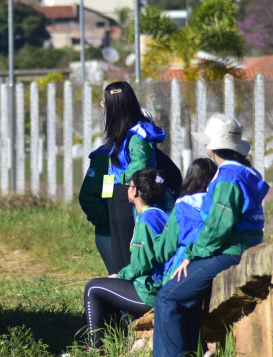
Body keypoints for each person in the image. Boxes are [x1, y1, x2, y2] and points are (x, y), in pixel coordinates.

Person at [152, 114, 269, 357]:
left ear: (210, 148)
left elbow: (217, 228)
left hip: (228, 250)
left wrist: (192, 255)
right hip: (241, 247)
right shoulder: (246, 173)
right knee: (185, 296)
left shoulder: (228, 177)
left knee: (169, 295)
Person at [83, 168, 168, 350]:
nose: (127, 189)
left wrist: (120, 275)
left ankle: (95, 350)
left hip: (148, 293)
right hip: (160, 286)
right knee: (107, 288)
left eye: (129, 185)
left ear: (135, 191)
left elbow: (140, 265)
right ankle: (113, 345)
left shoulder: (145, 221)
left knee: (93, 287)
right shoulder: (160, 214)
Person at [101, 82, 166, 273]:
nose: (103, 108)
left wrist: (121, 179)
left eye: (105, 103)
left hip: (128, 193)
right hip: (115, 191)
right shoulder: (118, 132)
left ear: (116, 106)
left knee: (127, 249)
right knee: (117, 247)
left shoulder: (139, 133)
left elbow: (139, 165)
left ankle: (132, 291)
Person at [155, 158, 218, 284]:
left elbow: (164, 250)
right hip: (214, 266)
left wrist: (157, 239)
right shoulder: (220, 207)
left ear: (190, 179)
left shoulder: (182, 208)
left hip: (181, 271)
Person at [78, 144, 113, 273]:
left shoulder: (147, 151)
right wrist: (107, 221)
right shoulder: (105, 156)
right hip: (110, 234)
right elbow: (88, 196)